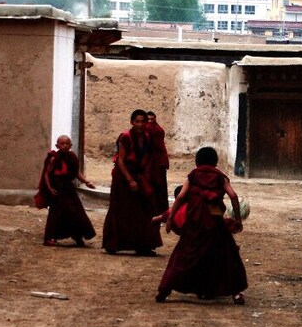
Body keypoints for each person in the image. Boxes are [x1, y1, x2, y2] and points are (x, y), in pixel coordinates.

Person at [155, 147, 248, 304]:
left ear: (197, 162)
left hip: (194, 223)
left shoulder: (193, 176)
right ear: (215, 162)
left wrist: (170, 220)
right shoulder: (220, 177)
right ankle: (236, 294)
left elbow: (180, 197)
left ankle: (164, 291)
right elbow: (233, 195)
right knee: (227, 255)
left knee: (184, 255)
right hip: (215, 221)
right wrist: (238, 219)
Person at [103, 109, 163, 255]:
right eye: (137, 121)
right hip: (123, 177)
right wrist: (130, 180)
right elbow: (121, 161)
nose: (140, 124)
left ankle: (143, 245)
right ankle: (113, 244)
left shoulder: (148, 137)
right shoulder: (125, 137)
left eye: (143, 121)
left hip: (139, 175)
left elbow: (148, 158)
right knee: (120, 209)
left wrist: (145, 179)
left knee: (143, 210)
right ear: (132, 122)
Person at [37, 135, 97, 247]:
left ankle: (77, 236)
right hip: (57, 189)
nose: (64, 146)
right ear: (57, 145)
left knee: (75, 212)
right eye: (62, 144)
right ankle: (50, 237)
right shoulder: (54, 158)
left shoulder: (72, 157)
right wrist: (49, 188)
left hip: (68, 188)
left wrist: (86, 182)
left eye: (67, 144)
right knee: (56, 214)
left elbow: (76, 173)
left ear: (70, 146)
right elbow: (47, 174)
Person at [146, 111, 170, 214]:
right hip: (150, 163)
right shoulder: (145, 132)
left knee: (158, 188)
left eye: (152, 120)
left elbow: (158, 148)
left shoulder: (158, 131)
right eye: (148, 120)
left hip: (158, 164)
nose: (150, 122)